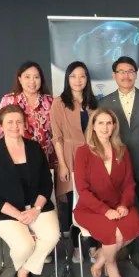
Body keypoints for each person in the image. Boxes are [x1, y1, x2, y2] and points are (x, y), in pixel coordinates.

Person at [0, 105, 60, 277]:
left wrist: (36, 210)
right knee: (25, 246)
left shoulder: (34, 147)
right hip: (4, 212)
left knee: (52, 236)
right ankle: (24, 275)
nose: (15, 126)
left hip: (36, 207)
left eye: (18, 121)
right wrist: (17, 214)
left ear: (25, 124)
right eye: (9, 122)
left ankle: (23, 271)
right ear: (0, 125)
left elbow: (46, 184)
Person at [73, 109, 139, 277]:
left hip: (119, 205)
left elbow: (129, 182)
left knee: (136, 225)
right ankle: (111, 264)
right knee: (116, 234)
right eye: (100, 123)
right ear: (93, 127)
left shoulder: (121, 150)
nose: (105, 127)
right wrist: (105, 211)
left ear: (114, 126)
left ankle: (101, 258)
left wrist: (124, 205)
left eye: (109, 123)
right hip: (91, 209)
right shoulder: (83, 152)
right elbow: (82, 190)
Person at [98, 56, 139, 238]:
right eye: (121, 72)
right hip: (117, 160)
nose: (126, 75)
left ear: (136, 74)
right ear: (114, 75)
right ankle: (126, 240)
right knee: (122, 200)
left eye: (130, 71)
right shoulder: (104, 103)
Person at [50, 61, 98, 263]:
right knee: (72, 204)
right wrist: (62, 163)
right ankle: (77, 247)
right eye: (73, 76)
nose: (78, 80)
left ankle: (95, 246)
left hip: (92, 157)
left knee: (94, 201)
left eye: (82, 76)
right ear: (67, 78)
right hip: (69, 156)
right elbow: (57, 137)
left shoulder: (93, 102)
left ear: (87, 79)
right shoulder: (59, 102)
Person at [0, 61, 55, 167]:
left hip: (46, 158)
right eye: (27, 77)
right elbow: (1, 133)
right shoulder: (9, 100)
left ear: (41, 79)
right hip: (17, 159)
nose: (32, 81)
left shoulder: (50, 101)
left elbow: (57, 133)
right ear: (20, 79)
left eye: (36, 77)